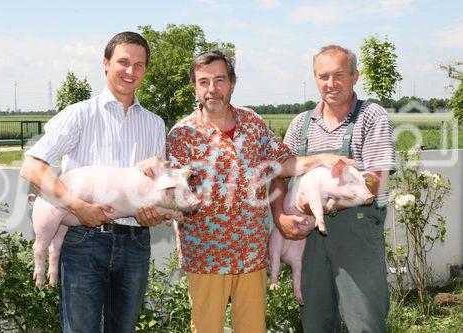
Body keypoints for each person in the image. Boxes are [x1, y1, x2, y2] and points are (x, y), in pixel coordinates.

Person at [166, 49, 350, 333]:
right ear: (195, 86)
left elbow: (283, 163)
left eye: (219, 80)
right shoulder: (182, 134)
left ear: (232, 84)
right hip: (205, 255)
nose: (212, 89)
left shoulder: (252, 123)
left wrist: (322, 159)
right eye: (204, 82)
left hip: (250, 252)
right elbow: (174, 194)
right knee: (206, 328)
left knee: (252, 328)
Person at [20, 31, 168, 333]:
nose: (131, 71)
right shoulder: (79, 115)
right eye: (123, 62)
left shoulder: (155, 124)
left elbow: (155, 189)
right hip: (84, 242)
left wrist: (154, 214)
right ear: (105, 63)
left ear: (145, 70)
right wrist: (77, 206)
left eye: (139, 65)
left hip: (136, 243)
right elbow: (32, 167)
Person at [271, 45, 396, 332]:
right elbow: (279, 174)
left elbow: (376, 180)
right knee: (315, 321)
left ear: (355, 76)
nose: (331, 83)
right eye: (323, 76)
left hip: (357, 234)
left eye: (339, 75)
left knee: (364, 321)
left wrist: (324, 204)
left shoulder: (371, 116)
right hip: (309, 239)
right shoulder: (300, 124)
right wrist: (280, 216)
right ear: (315, 79)